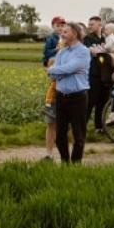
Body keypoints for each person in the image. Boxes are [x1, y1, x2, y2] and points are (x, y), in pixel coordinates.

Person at [48, 21, 91, 164]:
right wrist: (59, 71)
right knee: (60, 134)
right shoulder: (62, 52)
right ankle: (65, 162)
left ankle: (76, 163)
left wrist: (54, 70)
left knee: (78, 133)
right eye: (62, 32)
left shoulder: (83, 51)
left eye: (65, 32)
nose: (62, 34)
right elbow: (54, 75)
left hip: (77, 97)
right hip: (61, 97)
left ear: (75, 34)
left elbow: (69, 68)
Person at [83, 16, 114, 135]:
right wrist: (104, 52)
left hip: (106, 74)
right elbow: (94, 52)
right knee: (90, 102)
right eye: (89, 24)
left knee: (102, 102)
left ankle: (99, 127)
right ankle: (82, 127)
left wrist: (103, 51)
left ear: (99, 25)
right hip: (94, 74)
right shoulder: (88, 38)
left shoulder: (106, 38)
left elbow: (111, 52)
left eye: (92, 24)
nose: (89, 26)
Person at [42, 16, 65, 161]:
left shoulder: (66, 42)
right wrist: (56, 49)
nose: (60, 28)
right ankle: (50, 153)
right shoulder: (51, 38)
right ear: (53, 26)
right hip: (53, 69)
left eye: (62, 26)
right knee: (52, 122)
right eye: (58, 25)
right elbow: (46, 54)